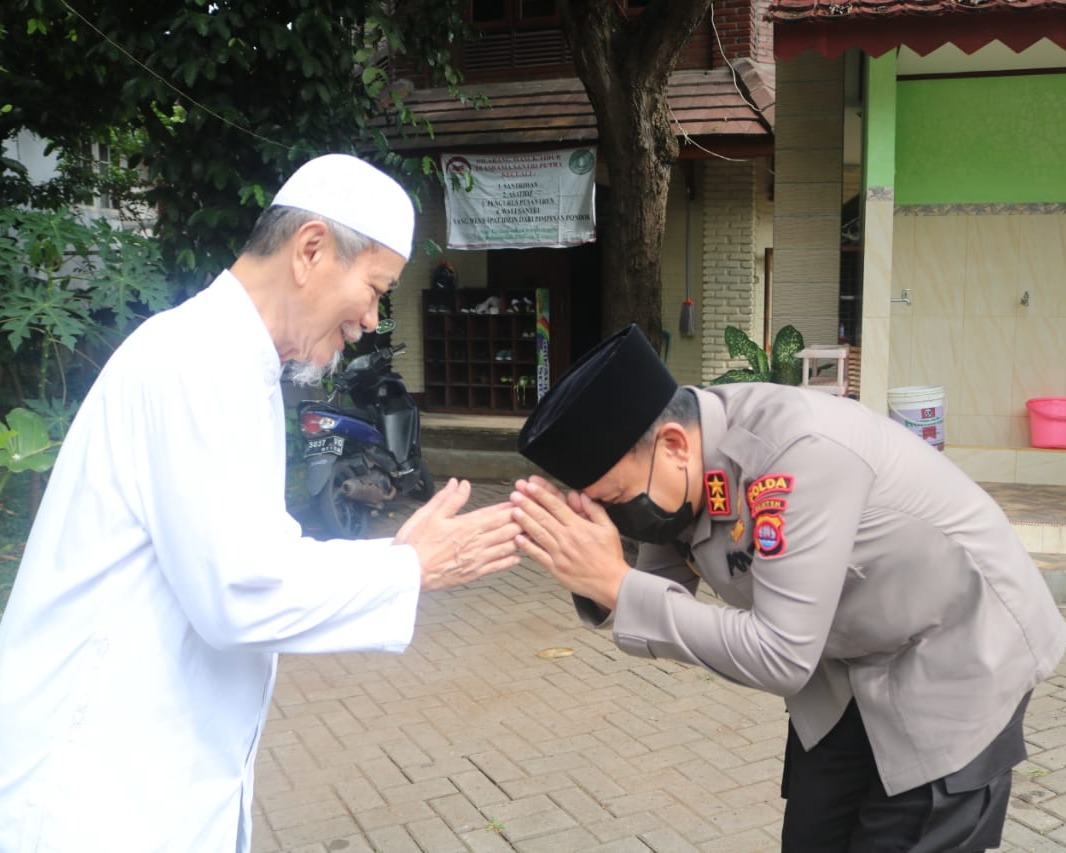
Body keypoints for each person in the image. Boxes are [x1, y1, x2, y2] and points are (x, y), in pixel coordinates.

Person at [0, 154, 520, 852]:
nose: (370, 319)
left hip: (153, 786)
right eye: (373, 288)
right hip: (91, 791)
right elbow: (238, 591)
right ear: (310, 250)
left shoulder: (233, 364)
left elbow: (255, 557)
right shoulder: (198, 361)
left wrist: (398, 559)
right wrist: (407, 567)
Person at [511, 323, 1066, 852]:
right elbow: (657, 586)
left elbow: (779, 654)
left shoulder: (794, 453)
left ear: (675, 444)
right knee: (813, 837)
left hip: (958, 650)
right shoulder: (677, 467)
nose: (621, 520)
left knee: (908, 835)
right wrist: (590, 573)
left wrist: (616, 581)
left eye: (615, 499)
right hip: (845, 660)